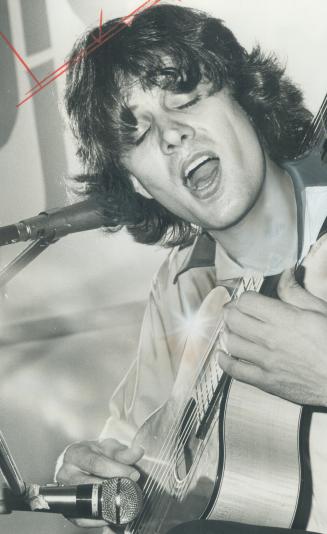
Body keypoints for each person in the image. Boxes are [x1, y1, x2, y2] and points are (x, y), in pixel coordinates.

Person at [54, 4, 327, 533]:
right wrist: (97, 482)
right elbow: (136, 447)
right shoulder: (179, 288)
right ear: (135, 182)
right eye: (136, 135)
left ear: (245, 96)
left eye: (186, 99)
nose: (170, 136)